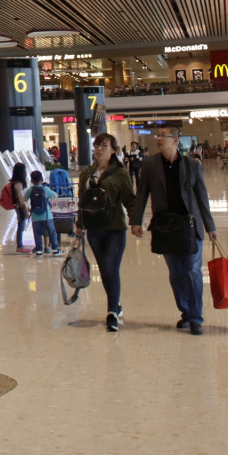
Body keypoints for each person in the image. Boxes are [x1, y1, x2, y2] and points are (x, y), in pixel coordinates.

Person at [129, 126, 218, 335]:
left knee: (192, 271)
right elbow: (141, 194)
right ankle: (185, 312)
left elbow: (202, 197)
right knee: (176, 274)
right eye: (157, 136)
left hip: (190, 226)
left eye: (163, 136)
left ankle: (196, 318)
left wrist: (210, 226)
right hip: (166, 227)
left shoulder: (192, 165)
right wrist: (136, 220)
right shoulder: (150, 164)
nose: (158, 139)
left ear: (176, 141)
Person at [77, 133, 136, 332]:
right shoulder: (87, 173)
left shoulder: (120, 173)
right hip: (93, 229)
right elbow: (82, 201)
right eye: (97, 146)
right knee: (104, 270)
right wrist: (79, 223)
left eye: (104, 145)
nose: (99, 149)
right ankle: (116, 306)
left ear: (113, 150)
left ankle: (111, 312)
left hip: (115, 228)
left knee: (111, 268)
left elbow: (129, 199)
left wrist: (136, 221)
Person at [27, 169, 59, 255]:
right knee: (51, 231)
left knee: (37, 233)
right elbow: (55, 195)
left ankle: (39, 250)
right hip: (46, 215)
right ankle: (55, 249)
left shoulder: (30, 190)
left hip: (35, 216)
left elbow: (23, 199)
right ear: (41, 180)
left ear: (31, 180)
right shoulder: (45, 188)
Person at [9, 162, 31, 253]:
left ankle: (20, 245)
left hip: (18, 206)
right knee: (21, 226)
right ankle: (20, 246)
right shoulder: (19, 184)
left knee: (21, 226)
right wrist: (26, 211)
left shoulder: (14, 182)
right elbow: (22, 200)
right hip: (21, 207)